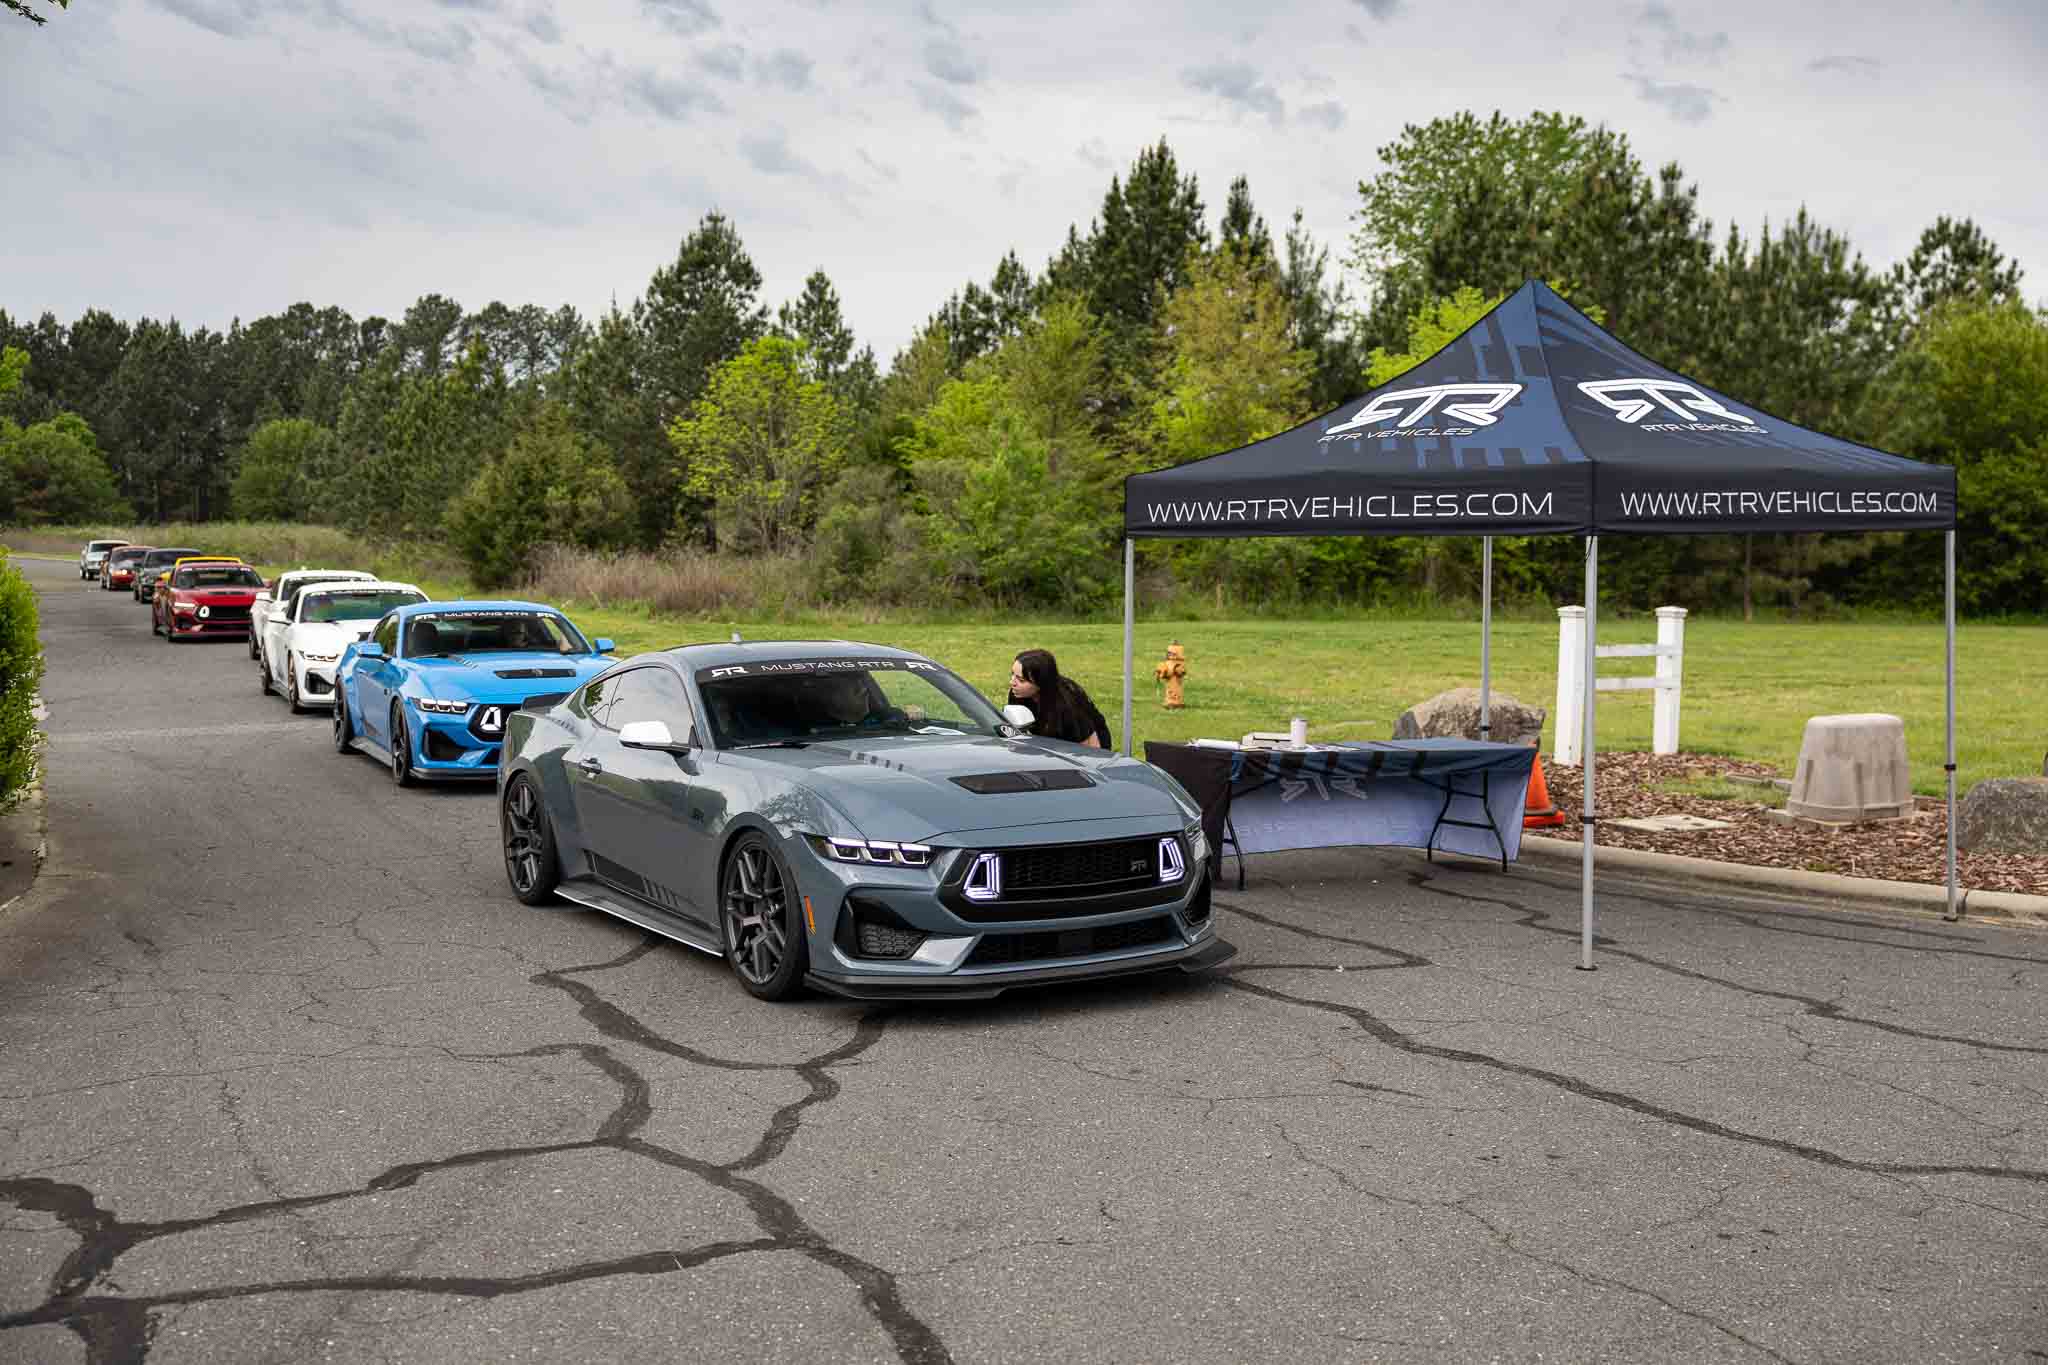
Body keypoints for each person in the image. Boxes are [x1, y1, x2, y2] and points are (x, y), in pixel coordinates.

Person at [1007, 649, 1111, 749]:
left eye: (1021, 680)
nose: (1012, 683)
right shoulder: (1018, 693)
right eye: (1012, 675)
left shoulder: (1068, 706)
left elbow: (1092, 749)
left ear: (1041, 683)